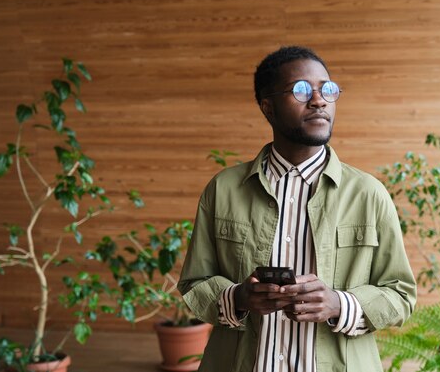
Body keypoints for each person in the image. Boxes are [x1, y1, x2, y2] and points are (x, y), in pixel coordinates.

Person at [178, 46, 416, 372]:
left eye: (327, 90)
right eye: (301, 90)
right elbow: (195, 282)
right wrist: (239, 297)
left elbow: (401, 295)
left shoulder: (369, 194)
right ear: (268, 107)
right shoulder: (223, 190)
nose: (319, 100)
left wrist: (339, 304)